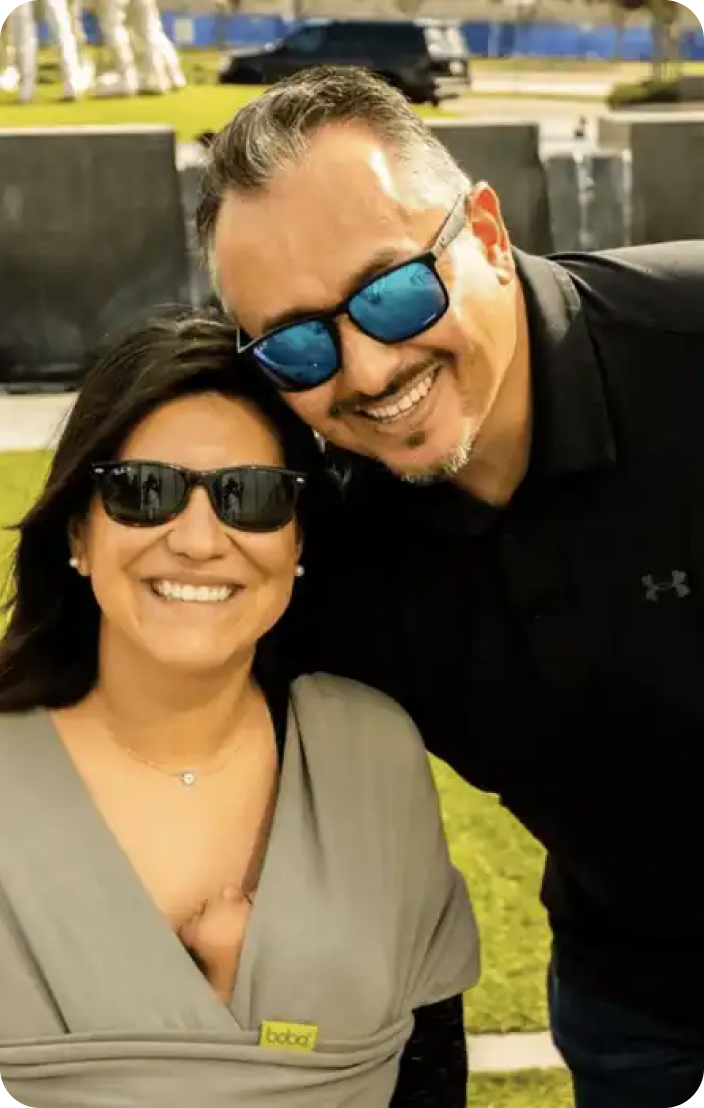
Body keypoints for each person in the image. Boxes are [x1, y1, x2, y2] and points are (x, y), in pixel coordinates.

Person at [195, 65, 704, 1108]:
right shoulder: (317, 542)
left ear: (482, 227)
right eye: (295, 344)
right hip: (636, 1011)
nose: (367, 368)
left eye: (390, 291)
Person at [0, 313, 478, 1108]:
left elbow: (429, 1067)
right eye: (143, 491)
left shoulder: (369, 753)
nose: (196, 539)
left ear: (297, 543)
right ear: (78, 533)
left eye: (248, 497)